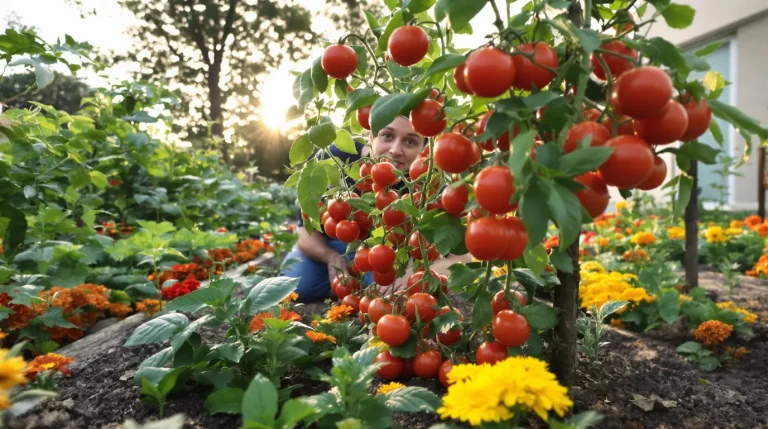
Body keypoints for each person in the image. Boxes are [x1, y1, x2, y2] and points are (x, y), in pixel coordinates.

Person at [281, 116, 471, 302]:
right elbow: (304, 232)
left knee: (387, 292)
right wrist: (330, 257)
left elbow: (463, 257)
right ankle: (347, 283)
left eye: (410, 141)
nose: (395, 150)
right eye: (387, 136)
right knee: (295, 286)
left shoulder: (430, 184)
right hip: (332, 243)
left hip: (386, 253)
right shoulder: (334, 158)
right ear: (370, 137)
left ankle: (355, 285)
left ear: (423, 150)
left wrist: (414, 273)